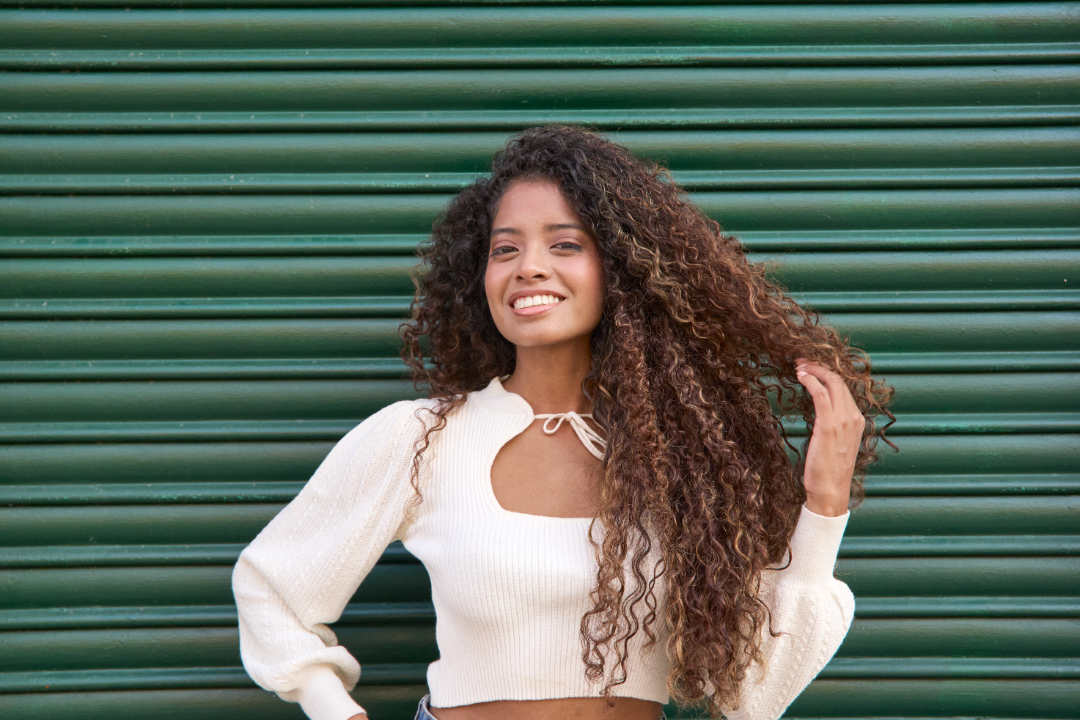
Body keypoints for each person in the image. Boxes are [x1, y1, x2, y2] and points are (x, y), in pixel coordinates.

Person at [232, 125, 894, 720]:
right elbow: (272, 588)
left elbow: (754, 699)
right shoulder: (419, 437)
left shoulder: (685, 462)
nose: (530, 267)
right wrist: (333, 710)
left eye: (566, 244)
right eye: (505, 248)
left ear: (621, 271)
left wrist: (825, 505)